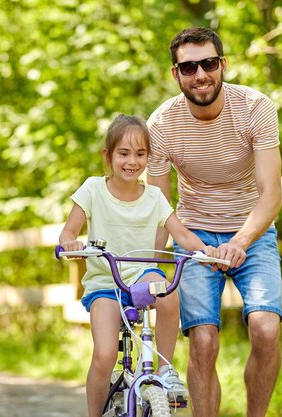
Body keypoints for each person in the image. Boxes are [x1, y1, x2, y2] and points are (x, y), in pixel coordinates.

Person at [147, 27, 282, 417]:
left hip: (251, 232)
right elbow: (158, 206)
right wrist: (153, 267)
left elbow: (271, 194)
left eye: (208, 64)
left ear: (222, 65)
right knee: (203, 340)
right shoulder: (161, 125)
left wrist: (239, 242)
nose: (200, 75)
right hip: (194, 235)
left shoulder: (256, 107)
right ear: (176, 74)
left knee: (265, 329)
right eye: (188, 67)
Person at [59, 114, 220, 417]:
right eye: (123, 153)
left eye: (140, 154)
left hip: (143, 275)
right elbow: (69, 231)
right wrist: (71, 244)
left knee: (169, 293)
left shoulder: (155, 197)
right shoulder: (93, 189)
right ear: (107, 155)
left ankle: (165, 371)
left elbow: (181, 233)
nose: (132, 161)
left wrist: (205, 251)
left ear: (148, 156)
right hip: (107, 283)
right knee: (105, 355)